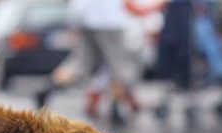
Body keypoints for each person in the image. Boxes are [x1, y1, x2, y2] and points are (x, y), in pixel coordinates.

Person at [35, 0, 164, 123]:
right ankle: (116, 106)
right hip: (109, 22)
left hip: (84, 19)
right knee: (119, 66)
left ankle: (47, 86)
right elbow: (132, 6)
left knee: (82, 65)